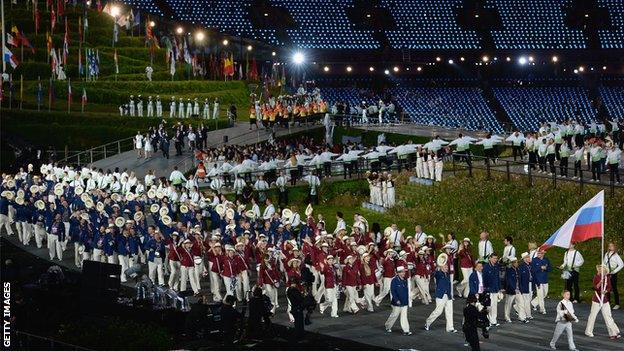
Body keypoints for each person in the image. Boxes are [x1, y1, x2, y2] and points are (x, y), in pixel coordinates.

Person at [585, 264, 621, 339]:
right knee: (592, 316)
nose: (601, 270)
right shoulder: (596, 277)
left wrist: (606, 291)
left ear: (605, 270)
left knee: (608, 316)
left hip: (604, 300)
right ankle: (588, 331)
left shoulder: (607, 278)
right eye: (599, 269)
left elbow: (610, 287)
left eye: (602, 269)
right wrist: (599, 284)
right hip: (596, 299)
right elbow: (594, 287)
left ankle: (614, 332)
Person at [425, 257, 456, 332]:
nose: (447, 268)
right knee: (438, 311)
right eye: (445, 267)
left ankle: (450, 328)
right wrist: (437, 268)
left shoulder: (447, 275)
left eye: (447, 267)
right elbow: (434, 274)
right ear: (441, 267)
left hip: (448, 295)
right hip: (440, 295)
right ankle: (428, 322)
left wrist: (450, 295)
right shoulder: (438, 274)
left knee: (449, 311)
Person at [385, 266, 412, 335]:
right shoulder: (394, 280)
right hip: (397, 302)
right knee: (394, 315)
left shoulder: (405, 280)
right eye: (402, 272)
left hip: (405, 302)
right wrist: (396, 300)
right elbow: (393, 291)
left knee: (404, 316)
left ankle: (406, 330)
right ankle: (388, 326)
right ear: (398, 273)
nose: (403, 273)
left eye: (404, 272)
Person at [483, 253, 501, 326]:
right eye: (494, 258)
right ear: (490, 258)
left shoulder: (496, 266)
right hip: (489, 289)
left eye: (496, 258)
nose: (495, 260)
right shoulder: (486, 267)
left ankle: (494, 320)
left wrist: (499, 288)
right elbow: (484, 279)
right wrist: (485, 289)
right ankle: (488, 320)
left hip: (495, 289)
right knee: (489, 306)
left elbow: (498, 278)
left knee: (494, 305)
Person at [531, 250, 552, 314]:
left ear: (543, 254)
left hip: (545, 279)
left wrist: (546, 268)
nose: (538, 254)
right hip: (538, 280)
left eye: (540, 253)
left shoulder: (546, 260)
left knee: (544, 294)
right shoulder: (534, 260)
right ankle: (542, 309)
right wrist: (540, 268)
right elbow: (533, 269)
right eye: (538, 253)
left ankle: (533, 303)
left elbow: (550, 269)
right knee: (540, 295)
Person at [604, 242, 623, 309]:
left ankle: (617, 304)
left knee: (614, 288)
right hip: (607, 273)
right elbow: (604, 263)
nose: (611, 247)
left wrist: (614, 271)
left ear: (614, 247)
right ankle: (607, 302)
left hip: (613, 273)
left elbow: (621, 264)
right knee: (607, 288)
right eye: (610, 246)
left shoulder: (616, 255)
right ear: (608, 247)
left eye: (612, 246)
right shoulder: (606, 254)